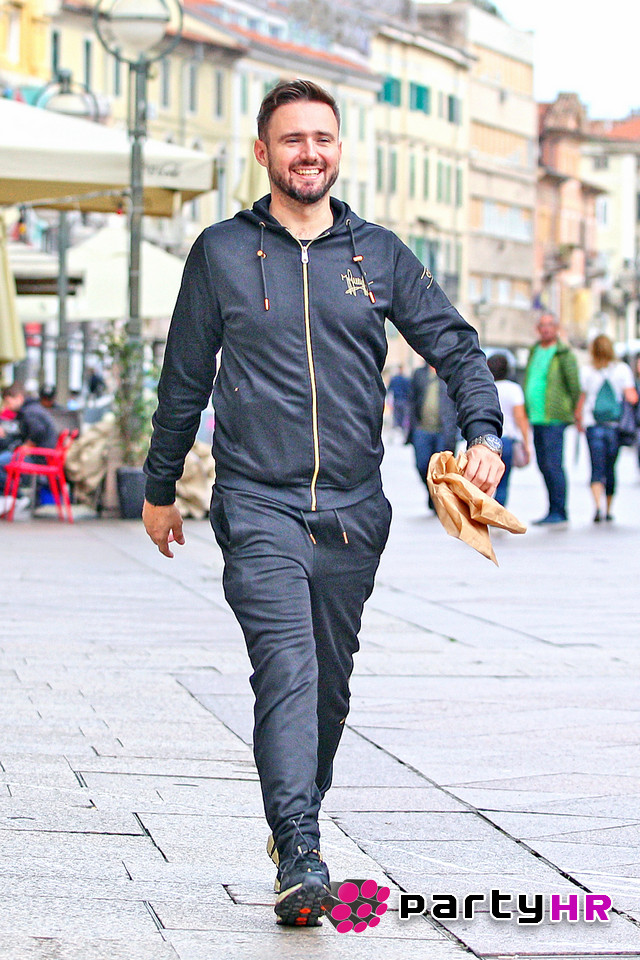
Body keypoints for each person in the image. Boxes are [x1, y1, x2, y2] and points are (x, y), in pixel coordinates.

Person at [142, 79, 504, 928]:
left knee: (329, 692)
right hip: (257, 503)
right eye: (292, 139)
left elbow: (457, 347)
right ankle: (302, 850)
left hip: (352, 514)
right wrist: (159, 488)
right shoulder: (221, 252)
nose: (309, 153)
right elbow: (184, 378)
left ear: (339, 150)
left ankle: (292, 821)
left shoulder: (377, 254)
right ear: (262, 152)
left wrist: (484, 434)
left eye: (323, 139)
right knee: (287, 670)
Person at [524, 313, 580, 525]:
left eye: (550, 325)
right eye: (542, 325)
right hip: (536, 417)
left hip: (554, 418)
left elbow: (574, 386)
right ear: (537, 329)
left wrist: (575, 411)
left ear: (556, 328)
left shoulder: (563, 354)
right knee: (543, 464)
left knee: (553, 464)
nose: (546, 329)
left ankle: (559, 510)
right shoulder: (534, 350)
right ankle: (552, 509)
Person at [575, 334, 637, 522]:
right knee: (610, 467)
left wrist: (578, 419)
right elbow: (632, 397)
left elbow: (582, 399)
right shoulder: (622, 370)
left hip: (593, 425)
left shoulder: (586, 371)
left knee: (596, 466)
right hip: (615, 426)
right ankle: (609, 509)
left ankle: (597, 506)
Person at [0, 383, 59, 512]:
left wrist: (27, 446)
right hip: (40, 455)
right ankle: (11, 496)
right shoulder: (30, 409)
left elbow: (38, 431)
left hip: (39, 457)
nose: (7, 406)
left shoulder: (30, 411)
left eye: (8, 402)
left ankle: (17, 497)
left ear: (19, 397)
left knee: (1, 462)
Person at [407, 363, 457, 509]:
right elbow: (412, 399)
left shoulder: (450, 372)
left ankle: (437, 498)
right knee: (422, 465)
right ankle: (432, 492)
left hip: (444, 430)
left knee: (441, 469)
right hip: (422, 428)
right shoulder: (420, 374)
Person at [487, 353, 531, 507]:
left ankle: (482, 510)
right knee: (503, 481)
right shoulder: (513, 389)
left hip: (486, 439)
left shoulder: (486, 387)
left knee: (485, 479)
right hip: (506, 440)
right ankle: (497, 512)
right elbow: (520, 418)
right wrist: (526, 443)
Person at [386, 364, 410, 431]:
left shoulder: (394, 379)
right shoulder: (405, 379)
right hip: (404, 400)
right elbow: (409, 390)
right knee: (403, 416)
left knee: (396, 415)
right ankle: (402, 429)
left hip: (396, 399)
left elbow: (389, 389)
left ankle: (396, 428)